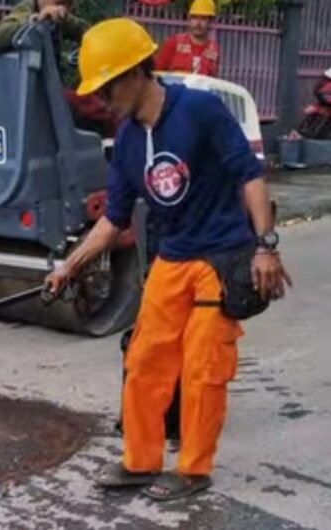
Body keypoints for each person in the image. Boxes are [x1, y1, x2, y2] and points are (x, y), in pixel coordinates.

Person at [46, 18, 292, 501]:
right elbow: (113, 220)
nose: (102, 100)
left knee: (202, 367)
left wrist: (265, 246)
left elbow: (249, 175)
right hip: (171, 260)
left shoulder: (199, 110)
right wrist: (68, 267)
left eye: (107, 88)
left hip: (219, 258)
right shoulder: (128, 141)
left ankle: (194, 469)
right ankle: (140, 462)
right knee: (144, 361)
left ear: (137, 72)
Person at [0, 0, 89, 61]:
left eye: (68, 3)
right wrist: (36, 21)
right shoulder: (24, 10)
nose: (62, 8)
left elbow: (86, 31)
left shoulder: (61, 17)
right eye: (59, 2)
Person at [155, 0, 220, 77]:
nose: (198, 23)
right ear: (189, 19)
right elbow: (156, 72)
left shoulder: (214, 49)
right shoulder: (174, 42)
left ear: (211, 21)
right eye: (194, 18)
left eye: (203, 18)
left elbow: (213, 79)